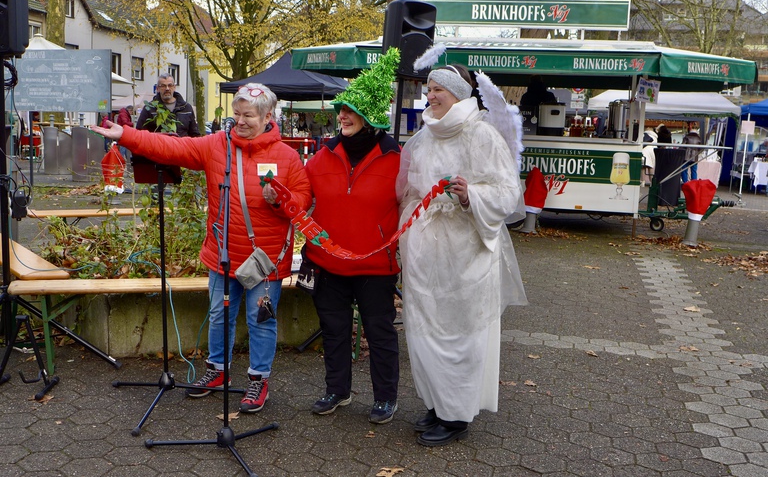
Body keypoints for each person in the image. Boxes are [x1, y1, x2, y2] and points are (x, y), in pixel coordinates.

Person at [90, 83, 312, 414]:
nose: (239, 121)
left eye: (248, 115)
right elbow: (170, 147)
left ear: (267, 117)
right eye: (236, 114)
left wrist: (282, 200)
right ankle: (217, 370)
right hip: (222, 255)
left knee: (260, 319)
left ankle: (258, 379)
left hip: (264, 261)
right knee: (220, 313)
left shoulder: (287, 157)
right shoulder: (216, 147)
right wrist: (126, 134)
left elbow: (302, 201)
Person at [396, 64, 527, 446]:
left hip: (467, 252)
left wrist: (472, 195)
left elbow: (507, 193)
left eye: (438, 89)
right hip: (425, 253)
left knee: (461, 333)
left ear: (458, 94)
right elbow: (409, 192)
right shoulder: (421, 139)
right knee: (425, 331)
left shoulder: (481, 135)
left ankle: (456, 417)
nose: (430, 95)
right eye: (428, 88)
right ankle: (438, 404)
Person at [303, 47, 402, 425]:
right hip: (328, 262)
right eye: (341, 109)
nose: (342, 115)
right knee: (334, 330)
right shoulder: (321, 156)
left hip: (375, 265)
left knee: (379, 332)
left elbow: (413, 204)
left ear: (370, 117)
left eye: (351, 110)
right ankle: (337, 390)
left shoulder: (397, 159)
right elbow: (301, 196)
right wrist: (279, 196)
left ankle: (385, 397)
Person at [136, 73, 201, 137]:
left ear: (174, 87)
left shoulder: (186, 108)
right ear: (157, 88)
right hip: (159, 146)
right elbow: (140, 134)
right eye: (163, 86)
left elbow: (194, 134)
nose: (167, 89)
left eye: (170, 85)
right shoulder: (150, 108)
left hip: (182, 146)